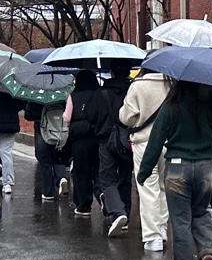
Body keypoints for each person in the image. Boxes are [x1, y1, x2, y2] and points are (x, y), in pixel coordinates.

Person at [136, 81, 212, 260]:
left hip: (177, 167)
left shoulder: (172, 105)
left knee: (180, 219)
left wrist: (143, 173)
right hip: (205, 166)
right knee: (201, 211)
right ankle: (207, 250)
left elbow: (156, 141)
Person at [120, 69, 171, 252]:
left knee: (148, 187)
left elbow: (127, 117)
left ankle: (153, 236)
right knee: (164, 186)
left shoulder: (138, 86)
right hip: (168, 142)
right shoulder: (171, 85)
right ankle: (163, 228)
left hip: (144, 142)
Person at [96, 72, 133, 237]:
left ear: (111, 72)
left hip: (106, 139)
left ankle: (118, 211)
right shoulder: (131, 90)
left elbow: (92, 115)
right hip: (126, 139)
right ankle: (126, 213)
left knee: (107, 178)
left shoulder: (102, 92)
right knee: (125, 177)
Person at [64, 70, 103, 217]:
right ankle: (101, 194)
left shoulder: (73, 95)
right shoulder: (99, 94)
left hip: (79, 139)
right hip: (97, 137)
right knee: (98, 170)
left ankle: (83, 205)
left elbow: (67, 118)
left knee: (81, 172)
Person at [25, 99, 70, 201]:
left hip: (42, 129)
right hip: (59, 129)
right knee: (58, 156)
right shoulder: (62, 94)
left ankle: (48, 193)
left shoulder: (37, 94)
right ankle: (61, 179)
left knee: (45, 162)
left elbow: (29, 115)